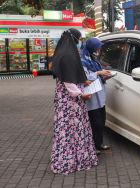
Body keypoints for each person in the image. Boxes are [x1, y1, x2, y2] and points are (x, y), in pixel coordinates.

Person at [50, 28, 98, 175]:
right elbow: (68, 81)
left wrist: (84, 81)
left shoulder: (62, 53)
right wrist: (81, 94)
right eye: (78, 39)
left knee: (67, 130)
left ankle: (67, 158)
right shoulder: (69, 55)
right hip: (71, 102)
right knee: (73, 129)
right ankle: (71, 161)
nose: (79, 43)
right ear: (74, 39)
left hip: (63, 100)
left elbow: (72, 74)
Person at [80, 37, 112, 154]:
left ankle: (99, 143)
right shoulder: (83, 61)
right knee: (94, 122)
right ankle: (92, 146)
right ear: (92, 48)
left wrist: (105, 75)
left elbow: (97, 75)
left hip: (100, 94)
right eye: (97, 48)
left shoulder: (94, 60)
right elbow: (85, 78)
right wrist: (99, 73)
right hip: (92, 96)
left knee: (101, 120)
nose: (99, 50)